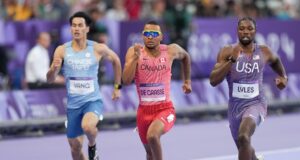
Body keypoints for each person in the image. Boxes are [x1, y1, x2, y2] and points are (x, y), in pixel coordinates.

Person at [209, 17, 288, 160]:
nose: (246, 32)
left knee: (244, 136)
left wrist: (283, 76)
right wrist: (231, 61)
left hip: (256, 103)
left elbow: (276, 61)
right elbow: (213, 81)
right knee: (243, 145)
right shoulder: (227, 51)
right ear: (237, 31)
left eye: (250, 29)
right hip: (235, 107)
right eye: (242, 28)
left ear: (255, 31)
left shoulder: (264, 51)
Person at [46, 11, 122, 160]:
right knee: (75, 148)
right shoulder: (61, 50)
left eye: (80, 25)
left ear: (87, 28)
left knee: (88, 127)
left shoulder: (97, 48)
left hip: (92, 101)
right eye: (74, 26)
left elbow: (116, 61)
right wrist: (53, 70)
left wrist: (117, 87)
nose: (76, 29)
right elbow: (49, 79)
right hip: (73, 105)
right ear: (70, 29)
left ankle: (93, 146)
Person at [122, 21, 192, 160]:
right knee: (149, 153)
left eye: (154, 34)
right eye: (147, 34)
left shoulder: (171, 50)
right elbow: (126, 80)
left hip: (165, 109)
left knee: (153, 136)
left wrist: (187, 81)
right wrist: (135, 58)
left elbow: (186, 57)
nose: (150, 37)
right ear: (142, 36)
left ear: (161, 37)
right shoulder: (134, 52)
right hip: (143, 112)